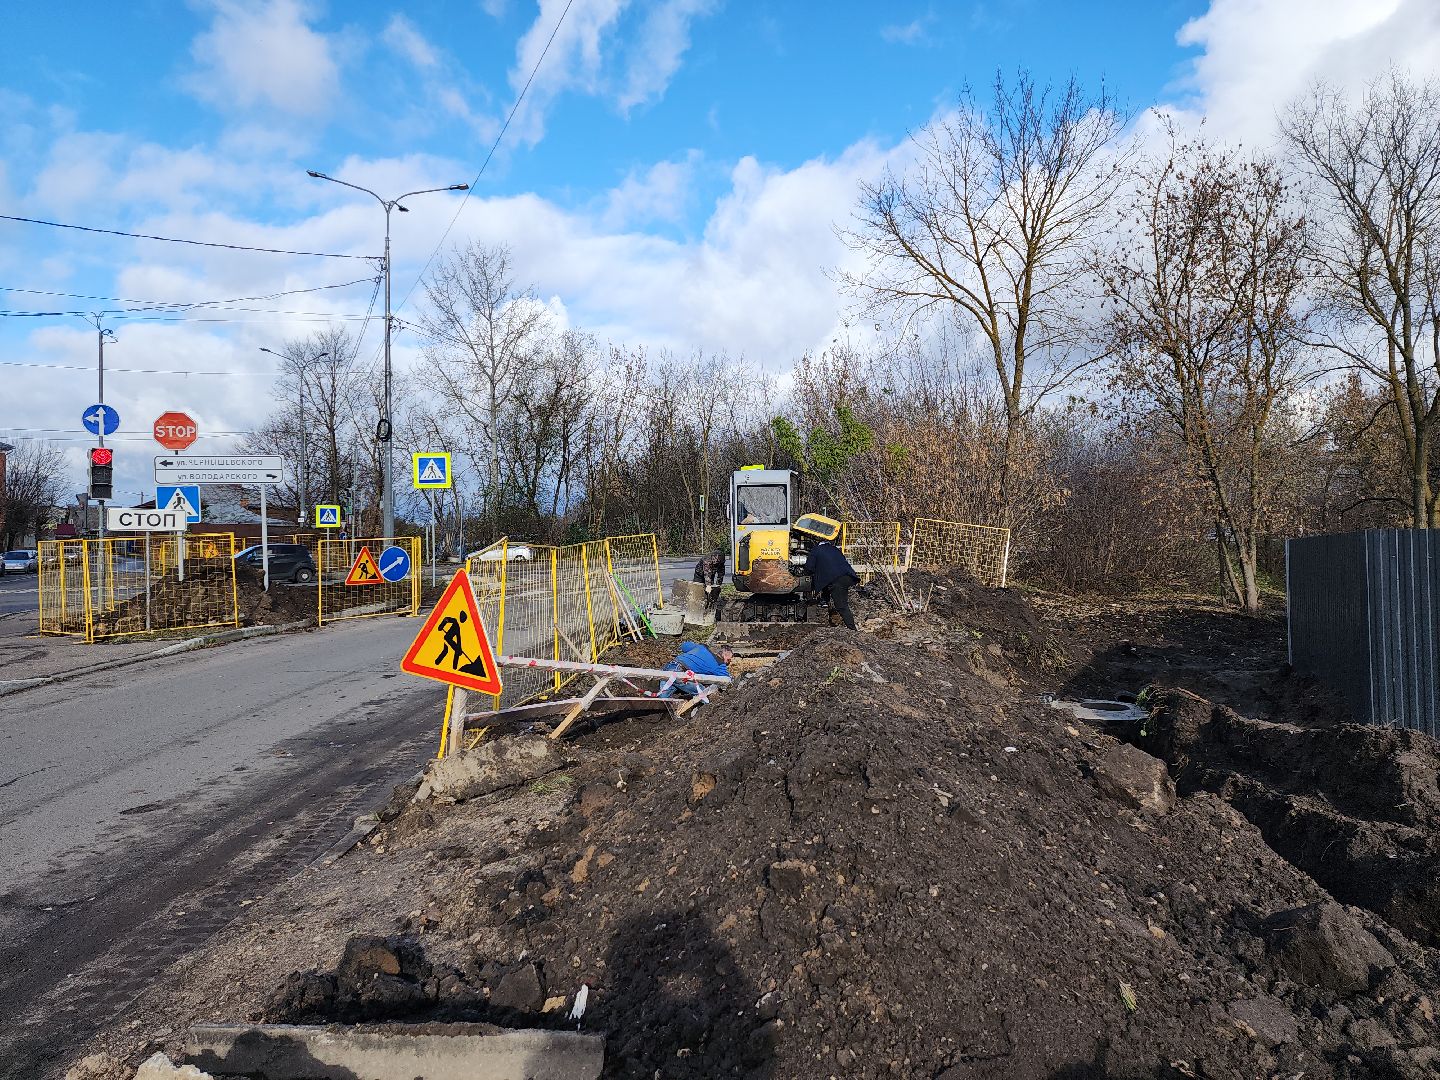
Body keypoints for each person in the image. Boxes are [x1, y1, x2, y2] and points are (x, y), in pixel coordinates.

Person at [805, 540, 860, 631]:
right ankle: (825, 603)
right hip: (848, 577)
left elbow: (809, 567)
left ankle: (852, 629)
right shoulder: (834, 549)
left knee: (841, 605)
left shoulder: (816, 550)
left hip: (837, 580)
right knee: (828, 589)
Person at [658, 640, 734, 699]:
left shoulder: (701, 647)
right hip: (680, 673)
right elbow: (726, 680)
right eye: (729, 660)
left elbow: (684, 646)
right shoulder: (719, 664)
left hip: (669, 667)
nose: (729, 663)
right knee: (704, 692)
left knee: (663, 698)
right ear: (725, 657)